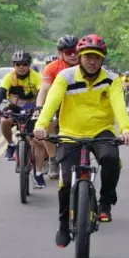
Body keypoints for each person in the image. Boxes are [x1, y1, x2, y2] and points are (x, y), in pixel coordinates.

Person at [33, 34, 129, 248]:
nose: (92, 61)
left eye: (97, 57)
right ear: (79, 57)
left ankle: (106, 202)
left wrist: (126, 129)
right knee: (65, 183)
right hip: (70, 133)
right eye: (87, 56)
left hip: (101, 131)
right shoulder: (65, 77)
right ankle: (63, 226)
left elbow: (119, 106)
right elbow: (51, 102)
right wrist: (41, 125)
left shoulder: (112, 79)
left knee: (110, 158)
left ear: (102, 59)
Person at [0, 50, 46, 186]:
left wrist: (42, 109)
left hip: (32, 108)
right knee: (4, 120)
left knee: (38, 140)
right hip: (14, 107)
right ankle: (10, 144)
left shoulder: (37, 76)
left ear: (29, 65)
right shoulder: (9, 77)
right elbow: (1, 93)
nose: (21, 67)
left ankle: (38, 174)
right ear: (13, 65)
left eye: (24, 64)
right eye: (18, 64)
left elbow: (42, 93)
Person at [37, 35, 80, 180]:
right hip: (56, 103)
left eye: (76, 51)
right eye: (68, 52)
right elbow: (44, 90)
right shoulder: (52, 67)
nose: (73, 55)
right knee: (47, 124)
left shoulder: (86, 64)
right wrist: (39, 108)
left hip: (78, 104)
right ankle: (53, 159)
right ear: (60, 53)